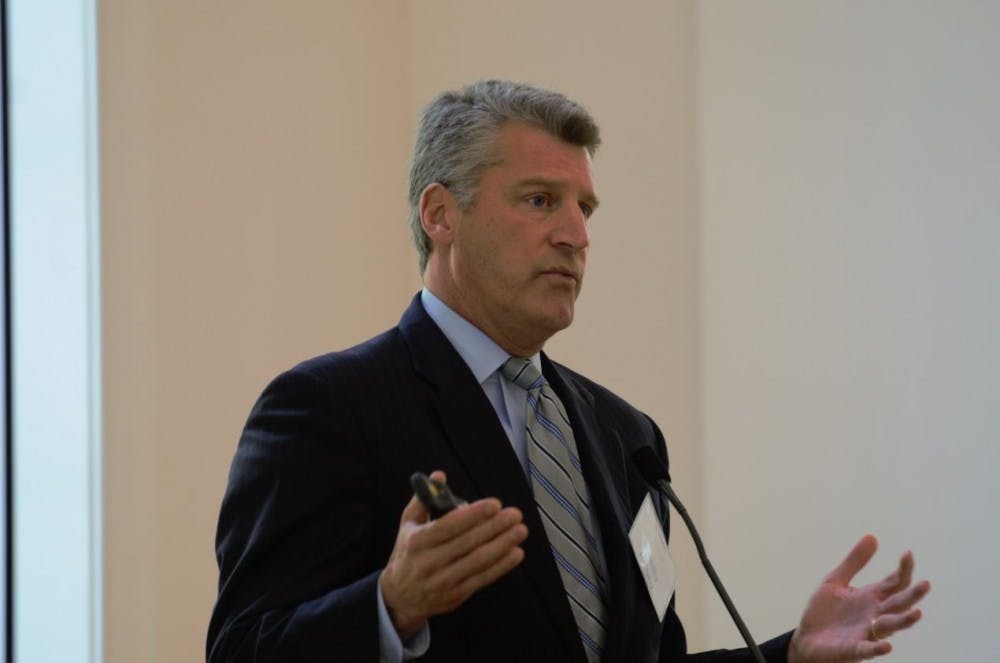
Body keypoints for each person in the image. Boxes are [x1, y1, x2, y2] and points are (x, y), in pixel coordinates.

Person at [207, 80, 929, 662]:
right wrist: (390, 607)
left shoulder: (625, 434)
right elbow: (242, 648)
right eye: (539, 200)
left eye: (585, 208)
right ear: (440, 214)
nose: (576, 235)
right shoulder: (330, 407)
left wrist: (791, 654)